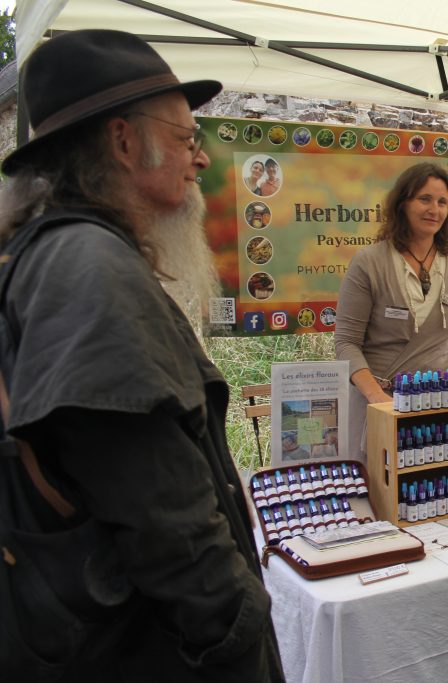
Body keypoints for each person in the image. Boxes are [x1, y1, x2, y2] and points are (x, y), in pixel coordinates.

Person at [0, 30, 284, 681]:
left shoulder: (46, 257)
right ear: (125, 141)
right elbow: (170, 527)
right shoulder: (87, 266)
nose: (201, 159)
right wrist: (240, 641)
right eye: (187, 139)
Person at [334, 162, 448, 461]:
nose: (435, 209)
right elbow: (346, 343)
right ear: (403, 204)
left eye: (442, 202)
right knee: (378, 493)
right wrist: (378, 399)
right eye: (424, 199)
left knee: (428, 492)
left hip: (436, 404)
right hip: (376, 406)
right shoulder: (369, 263)